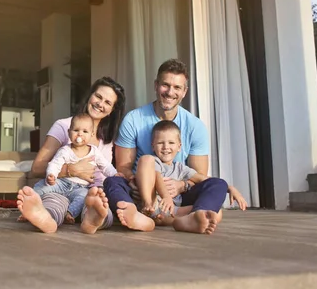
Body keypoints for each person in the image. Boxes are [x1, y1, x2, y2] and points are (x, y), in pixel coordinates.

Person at [95, 59, 238, 234]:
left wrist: (181, 185)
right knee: (112, 182)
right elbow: (123, 166)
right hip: (139, 193)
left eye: (177, 87)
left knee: (215, 189)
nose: (170, 92)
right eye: (165, 85)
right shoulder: (133, 119)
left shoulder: (195, 126)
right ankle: (140, 213)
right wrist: (138, 183)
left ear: (184, 91)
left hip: (177, 195)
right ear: (156, 85)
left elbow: (198, 175)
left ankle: (190, 216)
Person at [16, 76, 126, 234]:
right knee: (54, 203)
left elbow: (108, 168)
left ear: (112, 110)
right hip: (62, 187)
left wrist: (118, 176)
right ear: (90, 95)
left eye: (108, 102)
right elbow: (37, 168)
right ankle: (46, 219)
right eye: (98, 96)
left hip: (92, 193)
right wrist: (71, 170)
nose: (100, 104)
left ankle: (92, 220)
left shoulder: (108, 138)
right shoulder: (64, 126)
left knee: (101, 207)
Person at [135, 120, 247, 232]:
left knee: (214, 211)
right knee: (145, 159)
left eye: (171, 143)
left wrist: (228, 187)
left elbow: (205, 180)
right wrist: (166, 196)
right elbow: (157, 176)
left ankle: (184, 221)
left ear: (179, 147)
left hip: (173, 211)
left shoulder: (180, 168)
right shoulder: (153, 161)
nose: (166, 147)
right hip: (152, 206)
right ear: (153, 146)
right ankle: (151, 209)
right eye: (160, 143)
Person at [32, 113, 120, 225]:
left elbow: (105, 166)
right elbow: (55, 164)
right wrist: (51, 174)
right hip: (62, 182)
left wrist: (115, 174)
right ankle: (30, 202)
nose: (80, 134)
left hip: (82, 187)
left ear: (91, 135)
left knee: (83, 197)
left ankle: (70, 214)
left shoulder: (94, 152)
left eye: (85, 131)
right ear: (69, 132)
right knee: (42, 186)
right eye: (76, 130)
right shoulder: (65, 150)